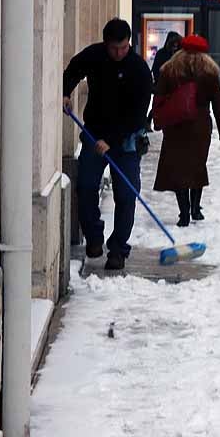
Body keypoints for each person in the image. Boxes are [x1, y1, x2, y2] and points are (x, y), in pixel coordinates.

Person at [63, 18, 153, 271]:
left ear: (129, 44)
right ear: (106, 44)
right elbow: (73, 70)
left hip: (125, 142)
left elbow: (138, 115)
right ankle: (93, 237)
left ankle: (118, 250)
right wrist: (64, 92)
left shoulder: (139, 70)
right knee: (86, 186)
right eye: (114, 48)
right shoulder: (95, 56)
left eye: (123, 48)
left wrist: (111, 141)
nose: (118, 53)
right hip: (93, 136)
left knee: (126, 195)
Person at [152, 35, 220, 227]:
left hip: (176, 125)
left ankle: (184, 213)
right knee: (197, 167)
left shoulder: (170, 70)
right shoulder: (209, 73)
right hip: (200, 126)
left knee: (178, 168)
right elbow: (218, 104)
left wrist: (157, 118)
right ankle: (195, 209)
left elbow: (159, 97)